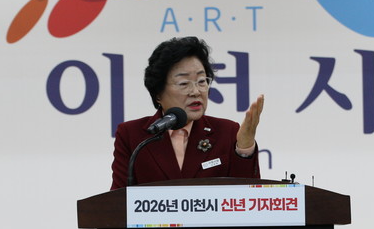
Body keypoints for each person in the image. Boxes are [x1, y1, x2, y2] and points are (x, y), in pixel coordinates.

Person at [111, 36, 264, 189]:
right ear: (158, 93)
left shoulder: (227, 132)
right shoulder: (132, 135)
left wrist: (245, 149)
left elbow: (245, 197)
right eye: (184, 83)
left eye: (202, 81)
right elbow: (117, 199)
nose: (196, 91)